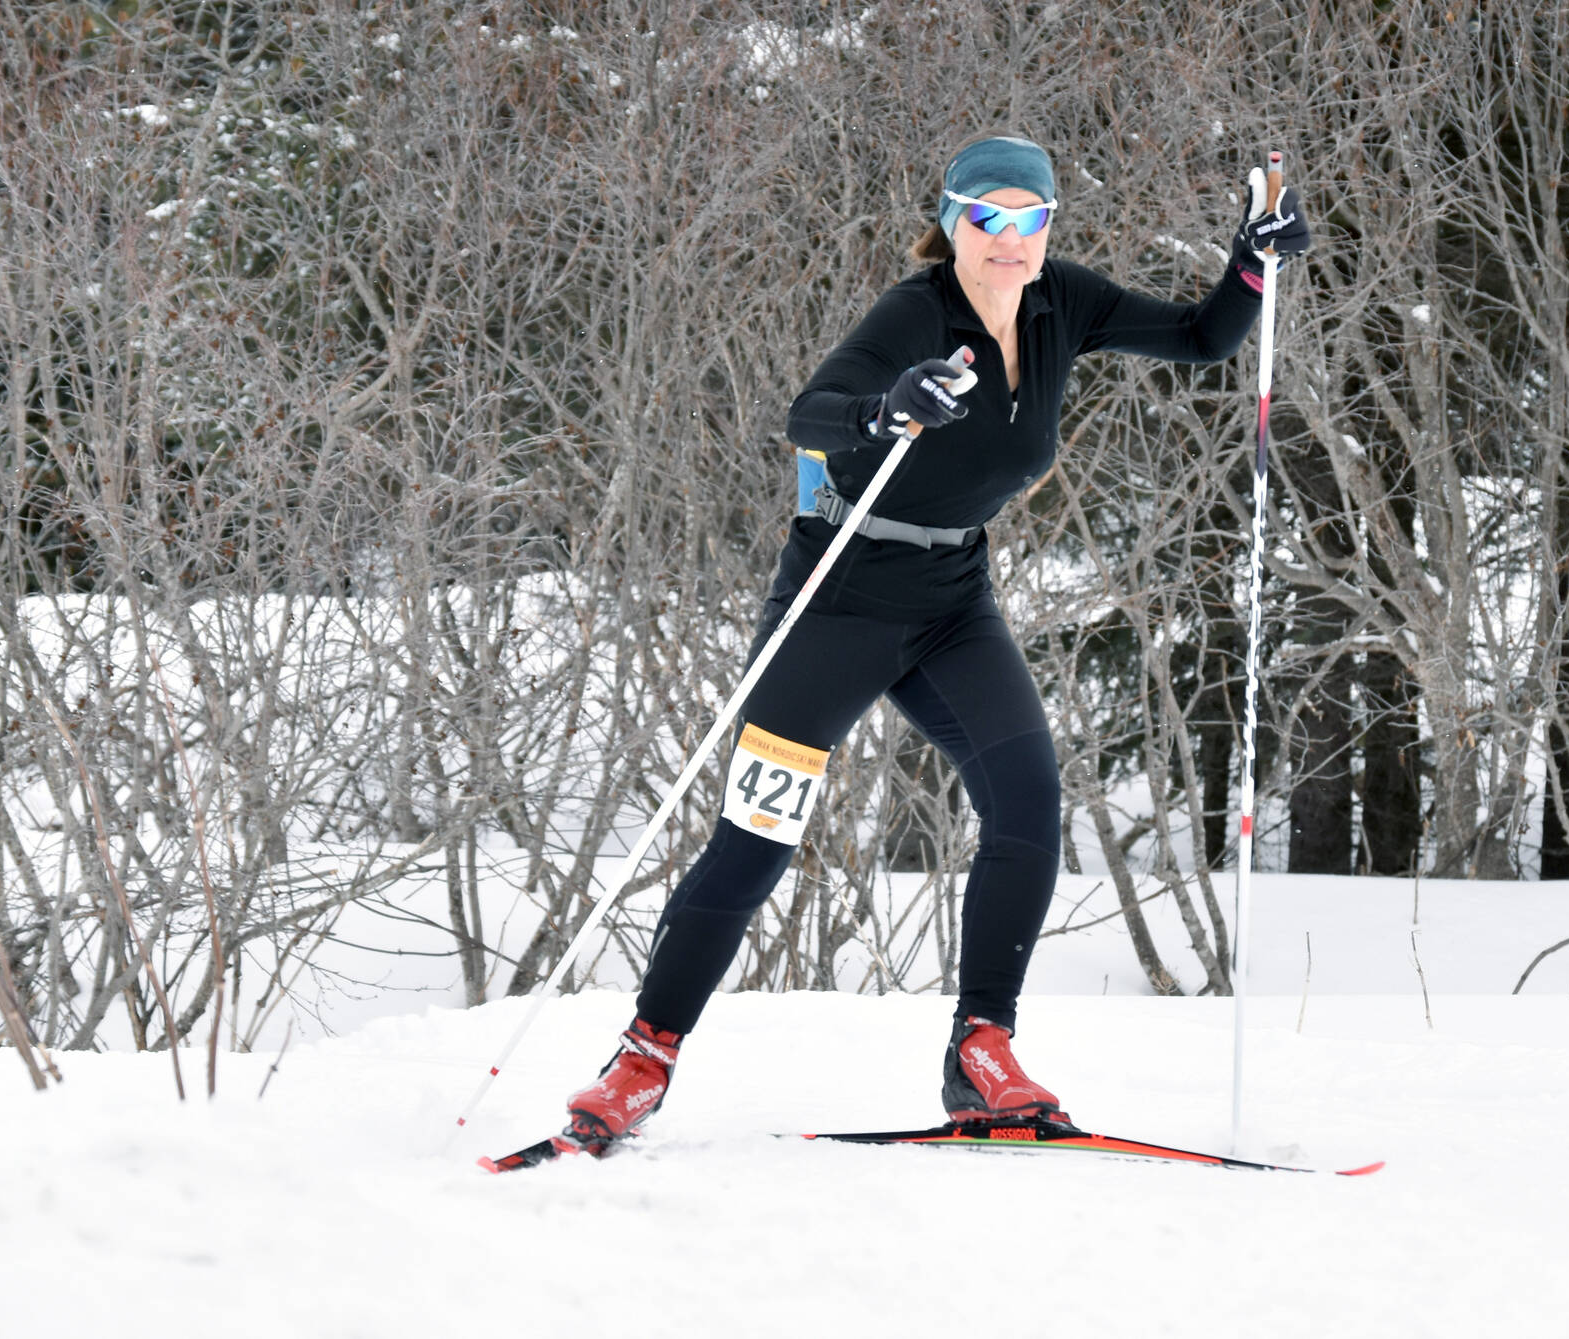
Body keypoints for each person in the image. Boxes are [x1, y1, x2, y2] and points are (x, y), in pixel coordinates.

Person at [561, 134, 1310, 1146]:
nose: (1009, 238)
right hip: (836, 600)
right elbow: (811, 415)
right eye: (987, 216)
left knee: (1026, 804)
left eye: (1029, 218)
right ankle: (643, 1057)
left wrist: (1252, 263)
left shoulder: (1062, 301)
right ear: (953, 222)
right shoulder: (917, 313)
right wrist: (886, 407)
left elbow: (1198, 336)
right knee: (756, 840)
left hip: (953, 602)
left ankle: (981, 1051)